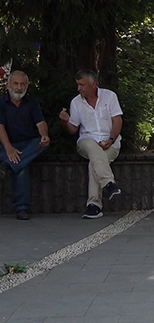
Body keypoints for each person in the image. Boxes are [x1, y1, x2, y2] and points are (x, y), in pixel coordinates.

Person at [59, 70, 122, 219]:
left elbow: (117, 121)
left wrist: (111, 139)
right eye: (78, 85)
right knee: (92, 147)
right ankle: (108, 183)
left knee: (95, 162)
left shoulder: (110, 96)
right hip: (86, 141)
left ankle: (94, 206)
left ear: (94, 84)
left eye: (82, 85)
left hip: (110, 142)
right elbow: (73, 129)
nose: (78, 88)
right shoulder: (76, 102)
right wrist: (64, 121)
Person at [0, 71, 50, 220]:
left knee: (42, 144)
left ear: (27, 85)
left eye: (22, 84)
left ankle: (8, 165)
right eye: (15, 83)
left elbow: (41, 124)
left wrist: (44, 135)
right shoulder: (1, 102)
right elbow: (0, 127)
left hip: (27, 146)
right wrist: (9, 148)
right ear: (8, 85)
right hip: (4, 146)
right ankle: (21, 208)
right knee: (21, 168)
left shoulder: (32, 102)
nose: (19, 87)